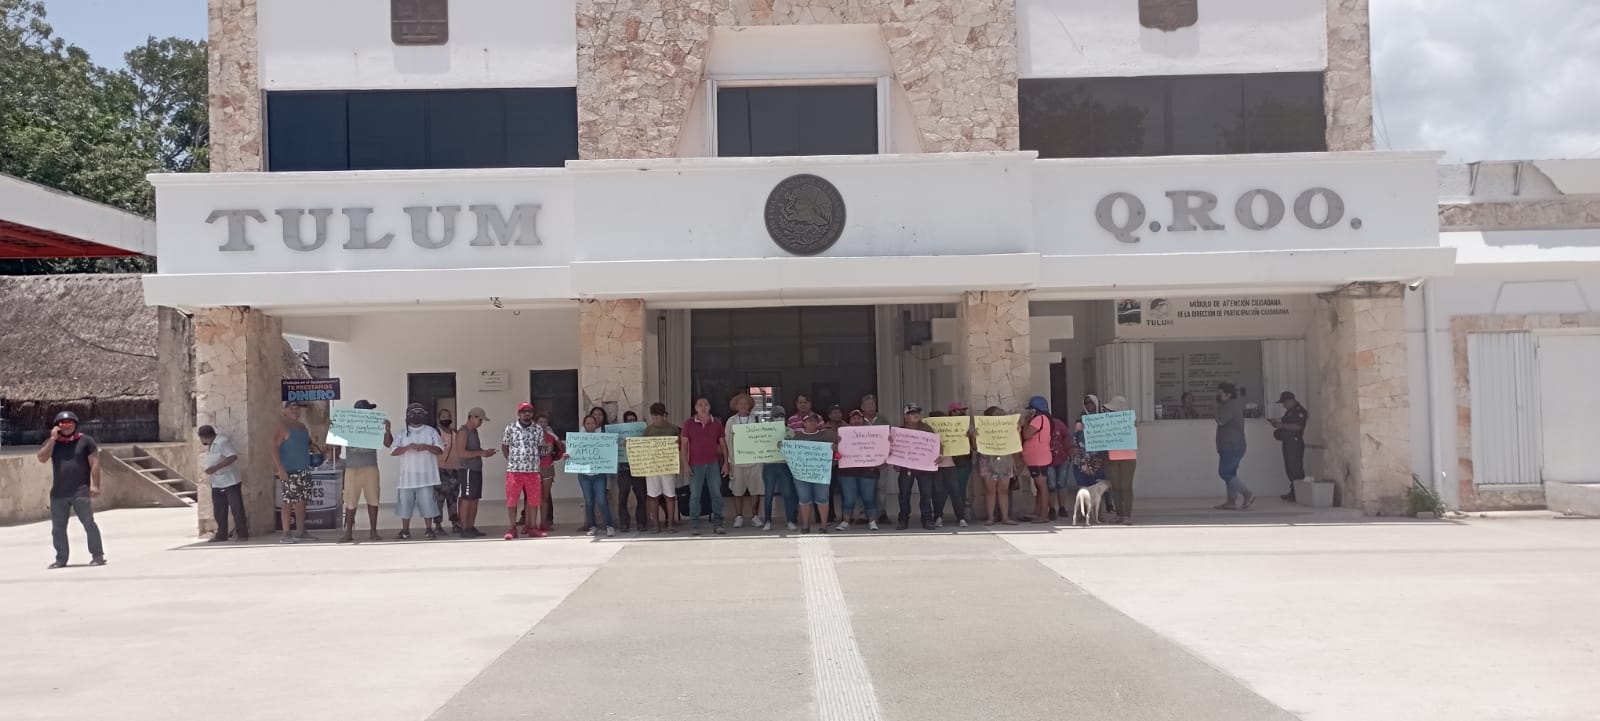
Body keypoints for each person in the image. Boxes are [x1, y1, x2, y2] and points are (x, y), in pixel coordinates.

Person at [38, 411, 106, 567]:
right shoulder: (53, 443)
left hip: (80, 491)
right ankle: (61, 558)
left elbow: (94, 463)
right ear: (57, 426)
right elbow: (42, 458)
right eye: (62, 424)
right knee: (58, 529)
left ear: (75, 424)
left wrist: (95, 485)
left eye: (69, 423)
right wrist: (53, 439)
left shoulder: (86, 441)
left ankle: (97, 555)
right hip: (58, 493)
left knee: (89, 523)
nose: (66, 426)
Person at [338, 400, 390, 543]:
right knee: (350, 500)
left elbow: (388, 443)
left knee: (373, 499)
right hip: (352, 467)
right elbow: (333, 444)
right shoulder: (347, 425)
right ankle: (348, 532)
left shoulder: (374, 425)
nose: (369, 413)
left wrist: (387, 429)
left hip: (370, 466)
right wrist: (333, 429)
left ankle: (373, 531)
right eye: (367, 410)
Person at [391, 403, 444, 539]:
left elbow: (439, 450)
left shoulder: (431, 431)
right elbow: (394, 451)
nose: (416, 416)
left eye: (419, 413)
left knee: (428, 503)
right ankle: (405, 530)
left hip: (426, 476)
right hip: (407, 477)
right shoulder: (403, 433)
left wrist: (426, 447)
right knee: (405, 505)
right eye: (413, 414)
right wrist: (408, 447)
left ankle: (429, 529)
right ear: (408, 416)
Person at [680, 397, 726, 535]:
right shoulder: (688, 424)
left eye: (706, 404)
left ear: (710, 406)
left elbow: (723, 444)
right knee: (695, 495)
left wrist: (726, 463)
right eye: (700, 405)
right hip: (695, 464)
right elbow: (683, 446)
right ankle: (694, 524)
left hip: (713, 463)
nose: (703, 407)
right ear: (695, 408)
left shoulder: (716, 423)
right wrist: (685, 465)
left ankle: (718, 523)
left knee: (716, 494)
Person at [502, 403, 547, 539]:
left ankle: (533, 527)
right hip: (514, 471)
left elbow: (541, 448)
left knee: (533, 500)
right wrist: (511, 460)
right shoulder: (510, 428)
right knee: (512, 500)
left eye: (529, 411)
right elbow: (504, 446)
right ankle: (512, 528)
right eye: (523, 411)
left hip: (532, 471)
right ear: (519, 413)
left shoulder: (538, 429)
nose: (526, 414)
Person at [721, 393, 765, 529]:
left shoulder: (757, 420)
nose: (743, 406)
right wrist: (727, 462)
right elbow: (727, 442)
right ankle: (738, 516)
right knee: (737, 489)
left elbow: (763, 438)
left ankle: (755, 516)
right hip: (736, 461)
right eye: (740, 404)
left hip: (755, 460)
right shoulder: (731, 421)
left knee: (755, 489)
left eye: (746, 403)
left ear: (750, 406)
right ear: (736, 406)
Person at [273, 402, 316, 544]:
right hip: (289, 470)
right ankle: (286, 533)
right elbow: (274, 449)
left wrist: (318, 448)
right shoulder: (282, 426)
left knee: (302, 502)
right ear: (285, 410)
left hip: (303, 469)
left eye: (297, 409)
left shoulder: (303, 427)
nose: (295, 411)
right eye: (291, 408)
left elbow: (308, 445)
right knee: (288, 502)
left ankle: (301, 531)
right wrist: (280, 469)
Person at [199, 425, 246, 543]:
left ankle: (242, 533)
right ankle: (221, 534)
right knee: (219, 510)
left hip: (230, 480)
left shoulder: (222, 442)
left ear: (204, 437)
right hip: (217, 482)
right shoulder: (210, 446)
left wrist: (216, 468)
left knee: (236, 508)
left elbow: (232, 456)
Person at [896, 404, 938, 530]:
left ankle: (927, 518)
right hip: (906, 468)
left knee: (926, 493)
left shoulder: (927, 428)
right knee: (904, 494)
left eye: (917, 413)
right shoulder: (899, 431)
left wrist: (939, 454)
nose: (915, 415)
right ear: (906, 416)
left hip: (924, 468)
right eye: (912, 413)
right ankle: (903, 519)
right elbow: (894, 447)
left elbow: (937, 444)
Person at [455, 407, 496, 538]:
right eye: (479, 419)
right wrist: (480, 453)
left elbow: (475, 450)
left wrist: (485, 452)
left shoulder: (474, 432)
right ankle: (464, 527)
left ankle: (471, 527)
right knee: (467, 498)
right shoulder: (463, 432)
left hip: (476, 469)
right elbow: (461, 453)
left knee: (475, 499)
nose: (480, 423)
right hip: (467, 469)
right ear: (471, 417)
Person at [835, 410, 879, 531]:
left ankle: (872, 521)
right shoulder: (842, 435)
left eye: (859, 418)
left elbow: (880, 447)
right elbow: (835, 452)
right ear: (849, 421)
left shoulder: (872, 434)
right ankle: (845, 521)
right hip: (847, 471)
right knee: (848, 498)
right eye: (854, 418)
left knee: (868, 497)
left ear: (863, 420)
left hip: (867, 471)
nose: (856, 420)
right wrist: (836, 446)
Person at [1213, 382, 1255, 510]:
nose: (1218, 395)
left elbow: (1220, 420)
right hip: (1231, 445)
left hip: (1231, 446)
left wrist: (1215, 408)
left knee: (1224, 472)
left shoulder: (1230, 406)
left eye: (1220, 393)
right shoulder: (1230, 405)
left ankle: (1247, 493)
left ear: (1228, 394)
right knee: (1231, 474)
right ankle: (1231, 501)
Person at [976, 406, 1018, 525]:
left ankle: (1005, 517)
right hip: (987, 460)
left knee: (1003, 490)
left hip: (1004, 460)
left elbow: (1015, 444)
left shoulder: (1008, 428)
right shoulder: (982, 429)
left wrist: (1017, 431)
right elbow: (976, 446)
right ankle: (990, 517)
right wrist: (974, 436)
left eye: (1001, 415)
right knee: (990, 490)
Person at [932, 403, 972, 529]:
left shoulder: (960, 428)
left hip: (953, 465)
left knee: (956, 492)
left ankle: (961, 517)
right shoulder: (930, 431)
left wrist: (967, 437)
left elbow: (970, 448)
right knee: (939, 493)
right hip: (937, 466)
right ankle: (938, 517)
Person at [576, 414, 616, 537]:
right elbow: (573, 453)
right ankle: (592, 526)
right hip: (584, 475)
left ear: (596, 424)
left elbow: (609, 452)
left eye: (592, 423)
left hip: (599, 474)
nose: (590, 425)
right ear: (584, 425)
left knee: (602, 500)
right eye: (587, 423)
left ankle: (609, 526)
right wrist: (568, 456)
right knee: (588, 501)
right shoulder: (578, 439)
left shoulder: (602, 438)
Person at [642, 403, 681, 533]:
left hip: (668, 466)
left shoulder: (673, 429)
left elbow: (681, 445)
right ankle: (656, 524)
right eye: (654, 417)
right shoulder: (648, 430)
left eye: (659, 416)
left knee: (669, 495)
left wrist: (678, 444)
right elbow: (642, 447)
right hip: (652, 467)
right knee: (653, 496)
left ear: (665, 415)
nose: (657, 419)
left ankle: (670, 523)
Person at [762, 404, 799, 531]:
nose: (779, 418)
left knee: (788, 493)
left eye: (781, 416)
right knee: (768, 493)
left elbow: (793, 444)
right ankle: (767, 520)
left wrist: (785, 441)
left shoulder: (789, 430)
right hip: (769, 465)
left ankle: (790, 520)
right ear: (772, 417)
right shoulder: (764, 430)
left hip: (785, 465)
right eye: (776, 416)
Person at [1102, 396, 1138, 524]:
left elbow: (1137, 440)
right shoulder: (1108, 423)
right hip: (1113, 457)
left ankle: (1126, 515)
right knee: (1116, 487)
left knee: (1126, 487)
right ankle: (1119, 514)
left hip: (1128, 458)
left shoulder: (1131, 422)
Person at [1020, 396, 1054, 523]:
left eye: (1031, 410)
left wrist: (1026, 422)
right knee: (1039, 485)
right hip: (1039, 456)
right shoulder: (1045, 418)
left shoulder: (1038, 419)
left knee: (1041, 485)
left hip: (1037, 457)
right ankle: (1037, 511)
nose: (1029, 412)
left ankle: (1043, 515)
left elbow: (1026, 434)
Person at [858, 393, 891, 525]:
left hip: (881, 460)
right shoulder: (857, 420)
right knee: (863, 488)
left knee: (881, 488)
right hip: (862, 460)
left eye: (873, 404)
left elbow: (891, 435)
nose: (871, 407)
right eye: (867, 405)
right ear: (862, 407)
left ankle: (881, 513)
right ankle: (862, 515)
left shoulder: (883, 420)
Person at [1271, 391, 1310, 502]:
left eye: (1284, 403)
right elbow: (1285, 422)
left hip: (1294, 442)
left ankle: (1301, 494)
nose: (1283, 405)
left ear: (1290, 400)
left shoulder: (1300, 411)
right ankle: (1294, 492)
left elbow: (1298, 426)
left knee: (1295, 468)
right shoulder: (1289, 412)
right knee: (1290, 468)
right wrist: (1277, 424)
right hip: (1288, 442)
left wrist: (1282, 425)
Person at [615, 410, 649, 533]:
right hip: (624, 469)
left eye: (634, 420)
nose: (632, 422)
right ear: (624, 422)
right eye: (629, 420)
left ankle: (641, 523)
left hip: (638, 468)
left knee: (641, 497)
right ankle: (624, 523)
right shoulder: (619, 434)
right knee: (622, 497)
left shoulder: (642, 432)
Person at [533, 413, 565, 533]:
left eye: (545, 422)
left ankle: (543, 522)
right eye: (540, 422)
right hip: (534, 468)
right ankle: (531, 523)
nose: (542, 424)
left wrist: (554, 436)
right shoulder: (532, 436)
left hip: (548, 467)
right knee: (533, 497)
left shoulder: (550, 436)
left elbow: (562, 448)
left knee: (545, 497)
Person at [432, 407, 462, 536]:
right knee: (438, 499)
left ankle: (455, 523)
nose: (446, 419)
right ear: (438, 419)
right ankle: (437, 525)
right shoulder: (435, 433)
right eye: (443, 417)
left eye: (448, 416)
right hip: (439, 470)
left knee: (453, 499)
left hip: (454, 470)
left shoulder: (455, 433)